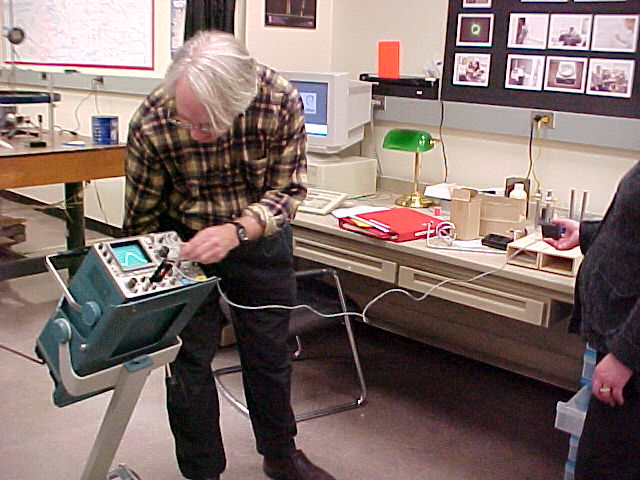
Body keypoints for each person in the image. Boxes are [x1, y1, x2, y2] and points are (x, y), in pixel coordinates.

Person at [123, 29, 337, 480]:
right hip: (184, 244)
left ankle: (280, 455)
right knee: (187, 363)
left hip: (258, 236)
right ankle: (202, 472)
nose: (196, 134)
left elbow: (288, 191)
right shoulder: (154, 120)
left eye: (207, 124)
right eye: (188, 122)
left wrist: (237, 231)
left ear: (241, 102)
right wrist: (154, 273)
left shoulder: (276, 100)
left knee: (269, 354)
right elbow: (141, 219)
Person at [544, 161, 640, 480]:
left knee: (608, 462)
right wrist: (586, 233)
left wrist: (625, 355)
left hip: (630, 347)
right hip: (619, 333)